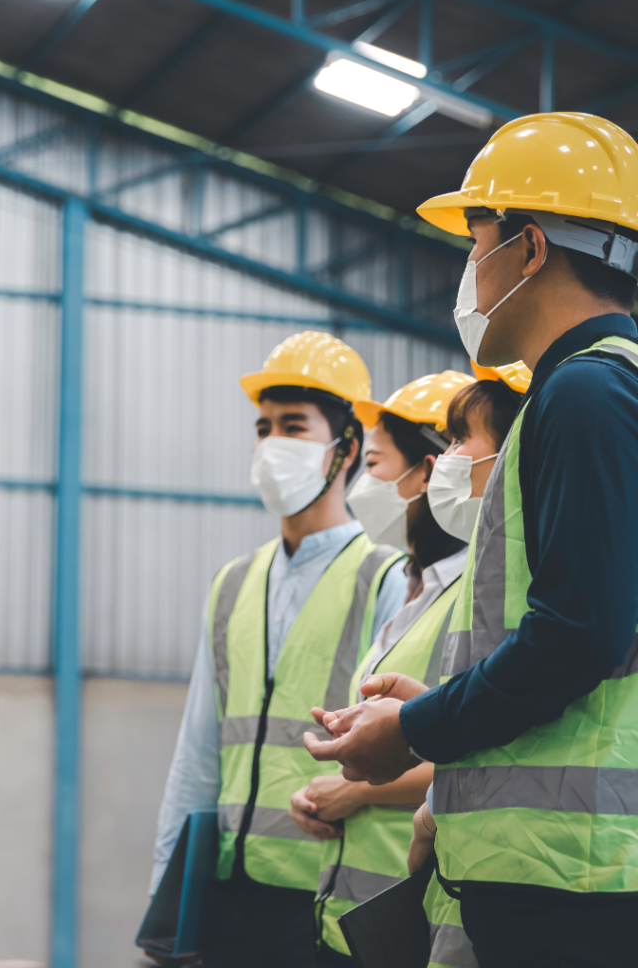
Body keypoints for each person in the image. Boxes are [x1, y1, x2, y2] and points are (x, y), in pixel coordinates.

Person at [302, 112, 638, 967]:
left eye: (475, 235)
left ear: (528, 248)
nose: (469, 268)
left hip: (568, 872)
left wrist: (415, 729)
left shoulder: (586, 396)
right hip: (567, 868)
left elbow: (577, 636)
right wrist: (443, 701)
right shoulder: (597, 391)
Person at [148, 332, 406, 967]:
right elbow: (197, 752)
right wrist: (166, 896)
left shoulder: (388, 577)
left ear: (345, 447)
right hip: (229, 890)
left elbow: (408, 743)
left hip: (329, 894)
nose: (271, 445)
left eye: (293, 426)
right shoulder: (232, 583)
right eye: (263, 428)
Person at [288, 370, 474, 964]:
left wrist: (355, 793)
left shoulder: (474, 597)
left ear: (426, 472)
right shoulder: (407, 588)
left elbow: (473, 751)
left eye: (374, 465)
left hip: (414, 911)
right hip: (351, 912)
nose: (363, 483)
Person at [405, 362, 529, 968]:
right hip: (467, 873)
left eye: (459, 441)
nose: (445, 461)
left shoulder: (530, 572)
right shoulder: (486, 569)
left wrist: (412, 728)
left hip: (524, 879)